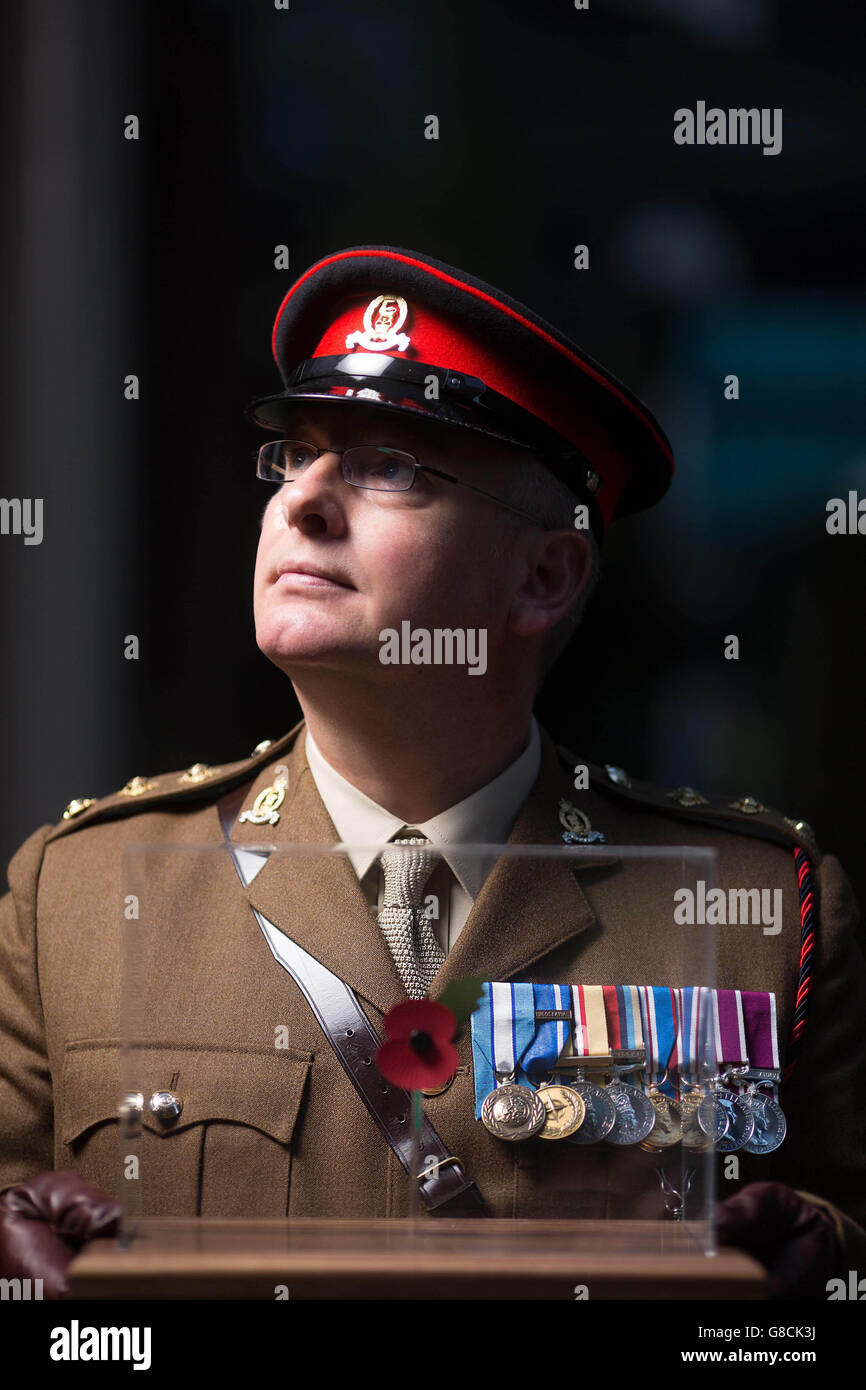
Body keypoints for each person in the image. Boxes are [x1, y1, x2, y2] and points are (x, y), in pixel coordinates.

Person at [1, 245, 864, 1299]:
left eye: (388, 466)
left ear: (542, 574)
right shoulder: (81, 896)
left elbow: (844, 1233)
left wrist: (819, 1266)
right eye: (297, 454)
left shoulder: (752, 905)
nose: (303, 500)